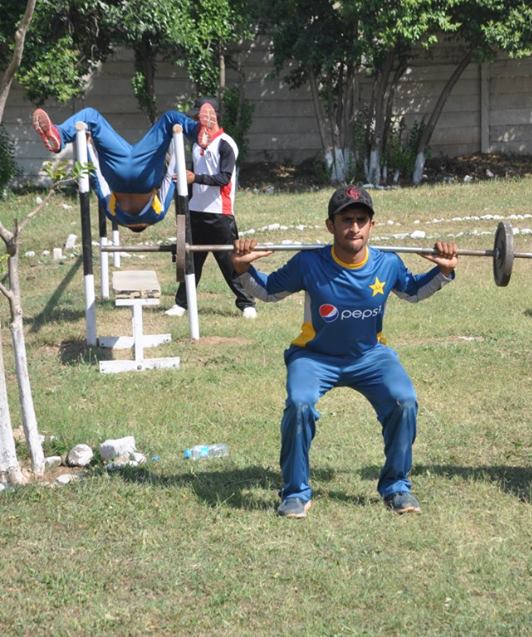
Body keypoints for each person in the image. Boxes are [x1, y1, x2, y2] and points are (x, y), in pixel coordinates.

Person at [231, 185, 458, 518]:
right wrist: (241, 268)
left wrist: (444, 270)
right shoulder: (309, 263)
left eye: (361, 220)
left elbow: (412, 292)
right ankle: (295, 492)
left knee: (404, 401)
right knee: (299, 404)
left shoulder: (388, 263)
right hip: (314, 356)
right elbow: (266, 291)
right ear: (330, 226)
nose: (354, 227)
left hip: (370, 356)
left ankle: (396, 487)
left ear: (371, 226)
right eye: (346, 220)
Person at [31, 104, 218, 231]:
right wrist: (88, 147)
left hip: (143, 171)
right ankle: (60, 136)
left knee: (170, 118)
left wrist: (177, 147)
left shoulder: (156, 215)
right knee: (90, 117)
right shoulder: (116, 217)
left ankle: (196, 132)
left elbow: (172, 178)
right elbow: (98, 180)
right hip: (118, 174)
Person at [165, 97, 257, 319]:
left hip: (220, 214)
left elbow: (224, 178)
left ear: (213, 115)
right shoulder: (196, 144)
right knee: (191, 261)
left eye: (201, 114)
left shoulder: (226, 143)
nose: (197, 119)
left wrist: (194, 177)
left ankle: (247, 303)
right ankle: (181, 303)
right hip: (195, 211)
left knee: (229, 261)